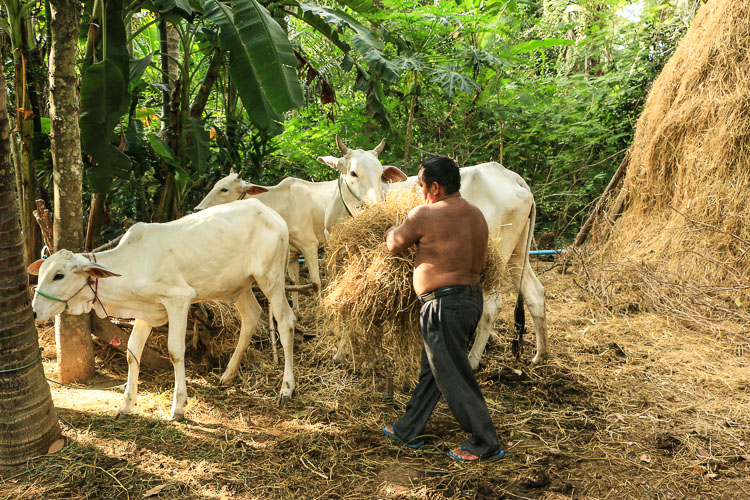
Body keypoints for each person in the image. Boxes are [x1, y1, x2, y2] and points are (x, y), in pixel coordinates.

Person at [381, 156, 503, 462]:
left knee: (453, 375)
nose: (420, 192)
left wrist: (387, 229)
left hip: (443, 306)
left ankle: (485, 442)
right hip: (469, 301)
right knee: (435, 369)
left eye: (421, 185)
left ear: (434, 187)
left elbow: (394, 244)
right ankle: (409, 428)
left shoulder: (426, 213)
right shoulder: (476, 215)